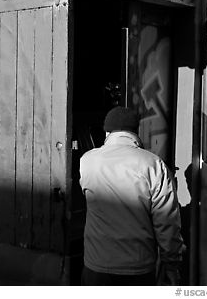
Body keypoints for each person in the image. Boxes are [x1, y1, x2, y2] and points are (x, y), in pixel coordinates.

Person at [79, 106, 185, 286]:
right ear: (135, 132)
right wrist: (171, 264)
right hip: (138, 266)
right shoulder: (153, 164)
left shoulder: (87, 160)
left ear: (107, 133)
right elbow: (167, 221)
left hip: (96, 264)